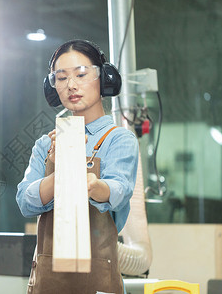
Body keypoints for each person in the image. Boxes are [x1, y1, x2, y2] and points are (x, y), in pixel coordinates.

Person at [16, 39, 139, 294]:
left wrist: (93, 185)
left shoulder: (119, 138)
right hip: (48, 279)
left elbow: (119, 190)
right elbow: (25, 201)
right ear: (53, 88)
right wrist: (60, 169)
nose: (71, 85)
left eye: (81, 74)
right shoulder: (46, 145)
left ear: (104, 79)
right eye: (61, 78)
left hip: (99, 279)